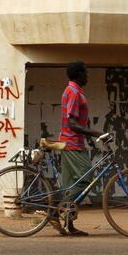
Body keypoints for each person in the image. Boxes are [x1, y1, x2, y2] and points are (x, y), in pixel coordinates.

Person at [49, 61, 105, 236]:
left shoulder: (75, 91)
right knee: (87, 179)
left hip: (74, 143)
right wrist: (97, 133)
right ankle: (54, 212)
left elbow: (77, 122)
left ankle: (69, 226)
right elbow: (72, 123)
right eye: (86, 73)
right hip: (72, 143)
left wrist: (91, 136)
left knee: (70, 185)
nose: (87, 76)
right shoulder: (73, 92)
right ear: (79, 74)